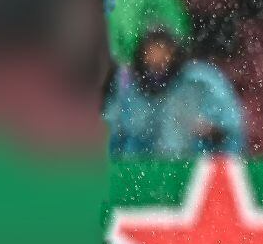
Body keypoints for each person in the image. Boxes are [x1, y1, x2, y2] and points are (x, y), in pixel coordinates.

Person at [105, 28, 246, 158]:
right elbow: (112, 131)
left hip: (194, 170)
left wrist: (213, 131)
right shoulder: (129, 85)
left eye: (163, 53)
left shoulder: (201, 81)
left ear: (174, 53)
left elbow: (233, 128)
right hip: (142, 173)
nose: (156, 60)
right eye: (150, 55)